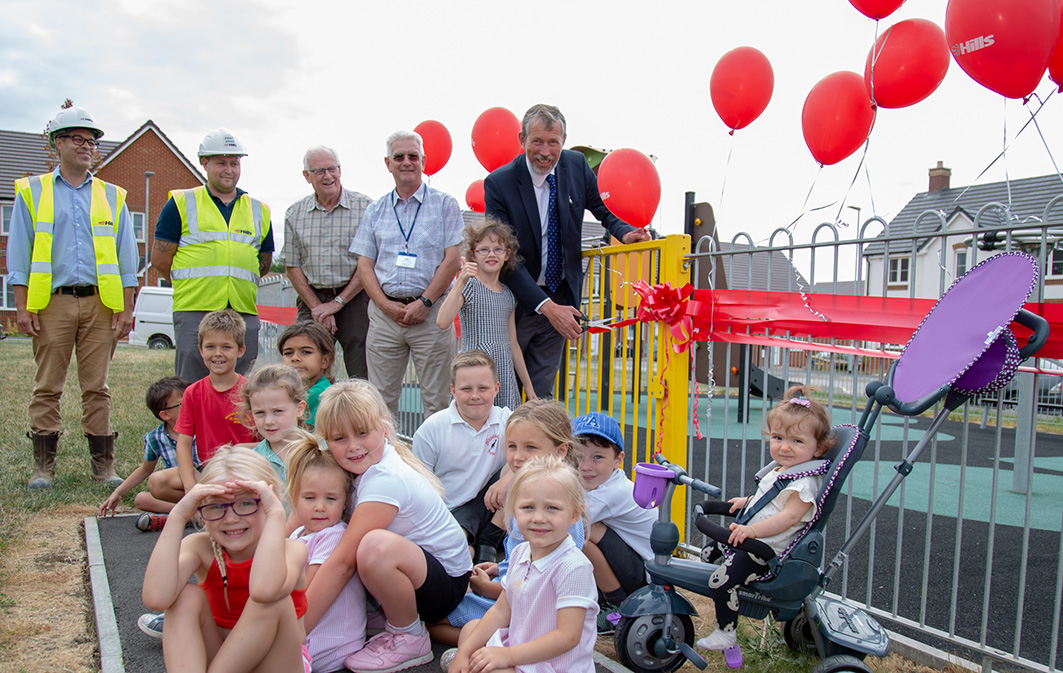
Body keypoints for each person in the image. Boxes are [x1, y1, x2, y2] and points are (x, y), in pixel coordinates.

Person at [8, 105, 139, 489]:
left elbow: (126, 257)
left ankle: (103, 467)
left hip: (101, 304)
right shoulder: (32, 192)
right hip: (53, 302)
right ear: (58, 144)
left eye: (92, 141)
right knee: (48, 384)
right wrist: (21, 305)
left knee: (96, 386)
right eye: (79, 139)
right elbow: (19, 252)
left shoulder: (113, 196)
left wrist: (125, 308)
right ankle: (43, 468)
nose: (87, 147)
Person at [484, 103, 651, 398]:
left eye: (553, 142)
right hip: (516, 303)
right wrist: (548, 309)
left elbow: (601, 207)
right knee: (502, 392)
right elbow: (503, 255)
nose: (545, 151)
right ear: (522, 139)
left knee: (541, 394)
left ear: (563, 140)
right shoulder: (499, 184)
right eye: (537, 141)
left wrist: (625, 233)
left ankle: (538, 444)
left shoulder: (576, 165)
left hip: (561, 295)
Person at [306, 380, 472, 673]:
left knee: (373, 547)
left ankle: (409, 636)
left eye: (361, 433)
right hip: (425, 571)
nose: (354, 446)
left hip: (444, 586)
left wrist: (296, 626)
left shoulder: (386, 479)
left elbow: (343, 562)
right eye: (340, 438)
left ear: (383, 427)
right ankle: (380, 613)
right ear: (326, 443)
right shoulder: (363, 465)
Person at [141, 446, 310, 673]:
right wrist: (178, 515)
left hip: (277, 663)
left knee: (272, 599)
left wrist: (277, 515)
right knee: (184, 597)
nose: (231, 518)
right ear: (200, 510)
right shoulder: (199, 547)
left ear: (270, 503)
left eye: (247, 503)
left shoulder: (292, 550)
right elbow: (157, 598)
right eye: (216, 506)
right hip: (220, 659)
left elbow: (263, 591)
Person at [431, 399, 584, 647]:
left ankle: (508, 642)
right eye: (512, 446)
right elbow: (523, 558)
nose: (518, 457)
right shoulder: (530, 495)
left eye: (530, 447)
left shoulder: (556, 517)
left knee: (431, 624)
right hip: (510, 591)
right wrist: (500, 567)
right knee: (433, 616)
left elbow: (542, 588)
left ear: (561, 451)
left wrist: (485, 589)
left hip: (526, 606)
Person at [695, 386, 836, 652]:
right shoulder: (783, 471)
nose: (784, 447)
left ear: (818, 449)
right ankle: (732, 594)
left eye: (797, 441)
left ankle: (726, 632)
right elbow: (770, 502)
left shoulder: (803, 483)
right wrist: (745, 503)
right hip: (755, 539)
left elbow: (788, 517)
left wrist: (753, 531)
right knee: (709, 553)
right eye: (778, 437)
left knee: (720, 581)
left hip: (768, 551)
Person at [442, 454, 598, 673]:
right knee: (471, 631)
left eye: (552, 508)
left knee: (492, 669)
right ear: (514, 511)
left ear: (574, 514)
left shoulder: (573, 568)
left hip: (553, 665)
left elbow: (567, 637)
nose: (539, 518)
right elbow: (500, 611)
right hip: (522, 650)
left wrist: (506, 656)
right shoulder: (521, 553)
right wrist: (464, 653)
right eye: (528, 507)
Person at [351, 130, 462, 419]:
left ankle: (433, 465)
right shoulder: (375, 210)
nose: (406, 162)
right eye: (399, 157)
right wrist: (385, 305)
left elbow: (452, 260)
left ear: (423, 161)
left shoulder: (445, 205)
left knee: (437, 402)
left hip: (432, 315)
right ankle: (386, 462)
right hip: (385, 316)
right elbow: (365, 266)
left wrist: (424, 303)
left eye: (413, 156)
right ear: (388, 163)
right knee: (379, 404)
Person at [151, 128, 274, 383]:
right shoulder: (181, 203)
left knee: (242, 384)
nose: (229, 169)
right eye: (221, 163)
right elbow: (161, 260)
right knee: (191, 382)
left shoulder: (259, 210)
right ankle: (190, 425)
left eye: (234, 163)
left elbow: (263, 263)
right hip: (195, 307)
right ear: (204, 163)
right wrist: (192, 284)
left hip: (242, 309)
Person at [412, 350, 512, 565]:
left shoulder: (508, 421)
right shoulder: (432, 429)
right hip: (450, 512)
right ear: (453, 391)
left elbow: (540, 453)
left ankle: (489, 541)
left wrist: (507, 479)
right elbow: (421, 487)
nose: (475, 396)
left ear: (496, 388)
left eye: (483, 388)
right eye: (466, 389)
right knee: (458, 553)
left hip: (494, 508)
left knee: (520, 468)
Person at [283, 145, 374, 379]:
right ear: (307, 176)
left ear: (340, 170)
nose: (328, 176)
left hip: (355, 298)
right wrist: (318, 308)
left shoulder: (365, 208)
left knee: (361, 371)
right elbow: (292, 266)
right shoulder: (295, 214)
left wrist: (337, 303)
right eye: (319, 171)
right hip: (312, 299)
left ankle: (359, 415)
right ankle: (310, 415)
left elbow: (368, 261)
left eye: (332, 169)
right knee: (304, 367)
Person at [285, 434, 366, 673]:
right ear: (294, 498)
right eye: (310, 498)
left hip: (329, 644)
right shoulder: (298, 533)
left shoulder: (333, 536)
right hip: (314, 635)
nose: (320, 507)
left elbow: (302, 591)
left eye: (331, 498)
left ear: (345, 501)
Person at [436, 218, 536, 410]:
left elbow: (513, 344)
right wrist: (460, 281)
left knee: (503, 429)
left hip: (503, 374)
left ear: (507, 255)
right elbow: (442, 321)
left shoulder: (508, 294)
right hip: (475, 372)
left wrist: (529, 388)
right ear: (473, 255)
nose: (491, 254)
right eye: (484, 249)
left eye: (498, 249)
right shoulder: (469, 286)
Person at [572, 411, 655, 634]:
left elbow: (567, 521)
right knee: (583, 529)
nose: (585, 466)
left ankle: (615, 603)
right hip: (634, 562)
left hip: (646, 578)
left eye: (597, 457)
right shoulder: (602, 482)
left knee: (581, 534)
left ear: (618, 460)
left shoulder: (613, 492)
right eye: (578, 457)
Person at [174, 309, 257, 496]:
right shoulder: (192, 392)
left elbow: (267, 443)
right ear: (201, 349)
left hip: (246, 471)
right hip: (209, 471)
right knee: (158, 483)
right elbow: (183, 444)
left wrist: (234, 451)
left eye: (226, 347)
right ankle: (197, 504)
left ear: (240, 350)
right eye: (210, 347)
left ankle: (202, 507)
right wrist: (190, 487)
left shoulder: (252, 391)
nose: (218, 354)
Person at [98, 377, 197, 530]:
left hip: (201, 484)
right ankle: (191, 516)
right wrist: (118, 493)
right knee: (141, 499)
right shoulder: (155, 438)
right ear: (165, 415)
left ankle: (181, 516)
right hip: (178, 491)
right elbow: (145, 469)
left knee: (160, 483)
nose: (192, 404)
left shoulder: (202, 427)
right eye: (184, 403)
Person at [239, 364, 307, 484]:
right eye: (260, 413)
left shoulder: (320, 452)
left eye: (277, 411)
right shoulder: (252, 462)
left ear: (299, 409)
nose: (268, 421)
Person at [278, 321, 335, 429]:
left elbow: (297, 438)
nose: (295, 358)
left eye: (305, 352)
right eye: (288, 353)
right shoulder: (289, 391)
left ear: (325, 361)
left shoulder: (318, 394)